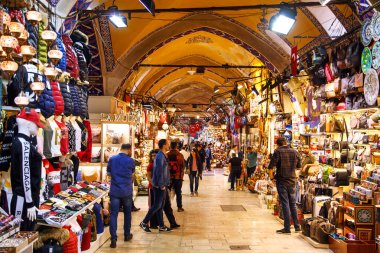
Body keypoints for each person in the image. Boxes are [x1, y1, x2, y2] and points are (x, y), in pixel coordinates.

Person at [268, 137, 302, 234]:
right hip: (292, 180)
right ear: (285, 142)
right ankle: (297, 226)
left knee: (285, 203)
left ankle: (287, 228)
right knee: (293, 203)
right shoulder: (295, 152)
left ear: (278, 144)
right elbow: (299, 167)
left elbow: (271, 167)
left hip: (282, 180)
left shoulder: (277, 152)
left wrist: (271, 178)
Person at [140, 139, 172, 233]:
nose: (168, 145)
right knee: (157, 205)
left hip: (161, 184)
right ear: (163, 145)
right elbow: (158, 172)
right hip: (159, 185)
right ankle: (144, 222)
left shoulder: (162, 155)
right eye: (167, 144)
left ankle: (161, 225)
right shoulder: (159, 157)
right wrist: (161, 184)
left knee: (160, 206)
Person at [107, 144, 135, 248]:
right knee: (127, 213)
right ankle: (127, 235)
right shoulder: (131, 160)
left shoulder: (112, 159)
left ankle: (113, 239)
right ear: (128, 150)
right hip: (127, 190)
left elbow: (109, 174)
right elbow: (132, 175)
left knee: (113, 214)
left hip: (115, 190)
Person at [147, 149, 180, 229]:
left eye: (155, 155)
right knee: (155, 206)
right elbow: (149, 177)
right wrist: (155, 184)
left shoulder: (161, 165)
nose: (154, 157)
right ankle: (153, 224)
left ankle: (172, 223)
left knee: (166, 206)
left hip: (162, 187)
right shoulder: (151, 165)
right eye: (152, 156)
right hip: (154, 188)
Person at [167, 141, 185, 212]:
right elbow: (183, 166)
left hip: (169, 177)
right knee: (178, 193)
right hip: (178, 177)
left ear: (170, 146)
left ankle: (168, 207)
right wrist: (181, 175)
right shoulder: (180, 155)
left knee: (167, 192)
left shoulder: (167, 155)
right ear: (176, 146)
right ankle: (179, 207)